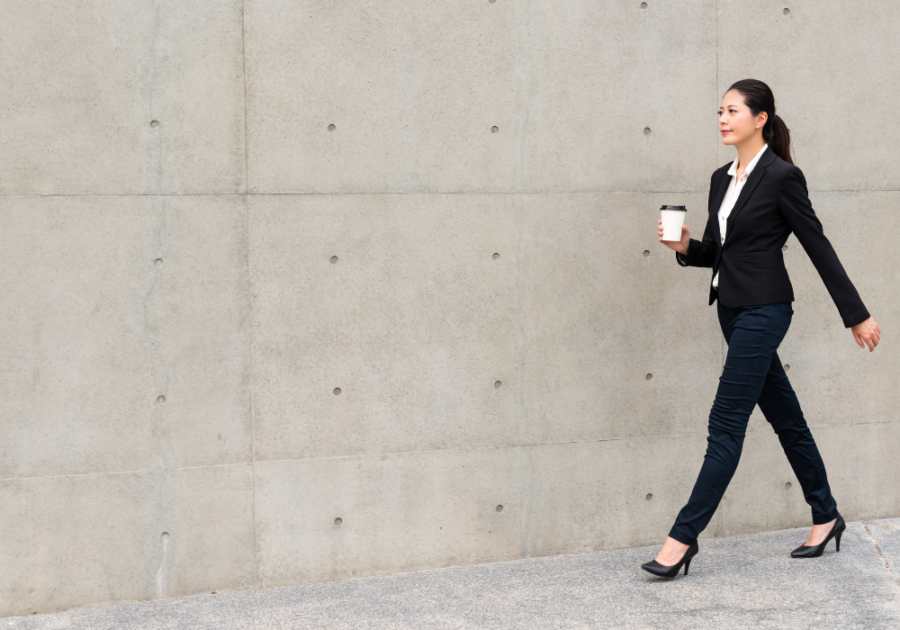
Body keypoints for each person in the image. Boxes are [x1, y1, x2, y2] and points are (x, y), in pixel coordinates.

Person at [641, 79, 882, 579]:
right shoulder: (719, 177)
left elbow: (818, 245)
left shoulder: (782, 176)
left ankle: (681, 540)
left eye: (732, 110)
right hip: (731, 309)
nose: (723, 119)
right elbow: (718, 251)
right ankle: (826, 514)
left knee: (725, 423)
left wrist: (855, 313)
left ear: (760, 118)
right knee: (785, 416)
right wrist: (687, 246)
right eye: (720, 111)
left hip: (767, 310)